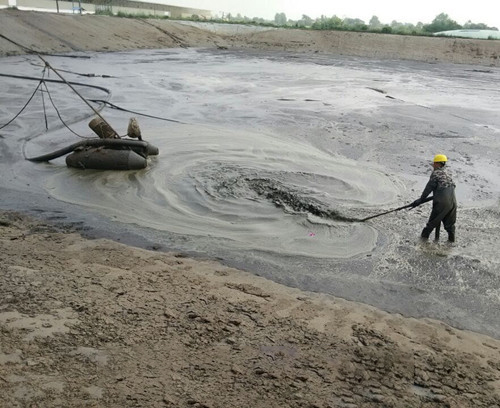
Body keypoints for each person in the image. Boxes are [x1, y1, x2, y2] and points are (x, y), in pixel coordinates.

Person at [411, 154, 457, 242]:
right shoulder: (448, 174)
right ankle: (451, 244)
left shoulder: (436, 173)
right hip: (453, 202)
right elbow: (452, 187)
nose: (433, 165)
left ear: (438, 164)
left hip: (442, 203)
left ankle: (422, 243)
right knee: (450, 226)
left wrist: (420, 200)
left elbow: (429, 188)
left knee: (431, 224)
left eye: (434, 164)